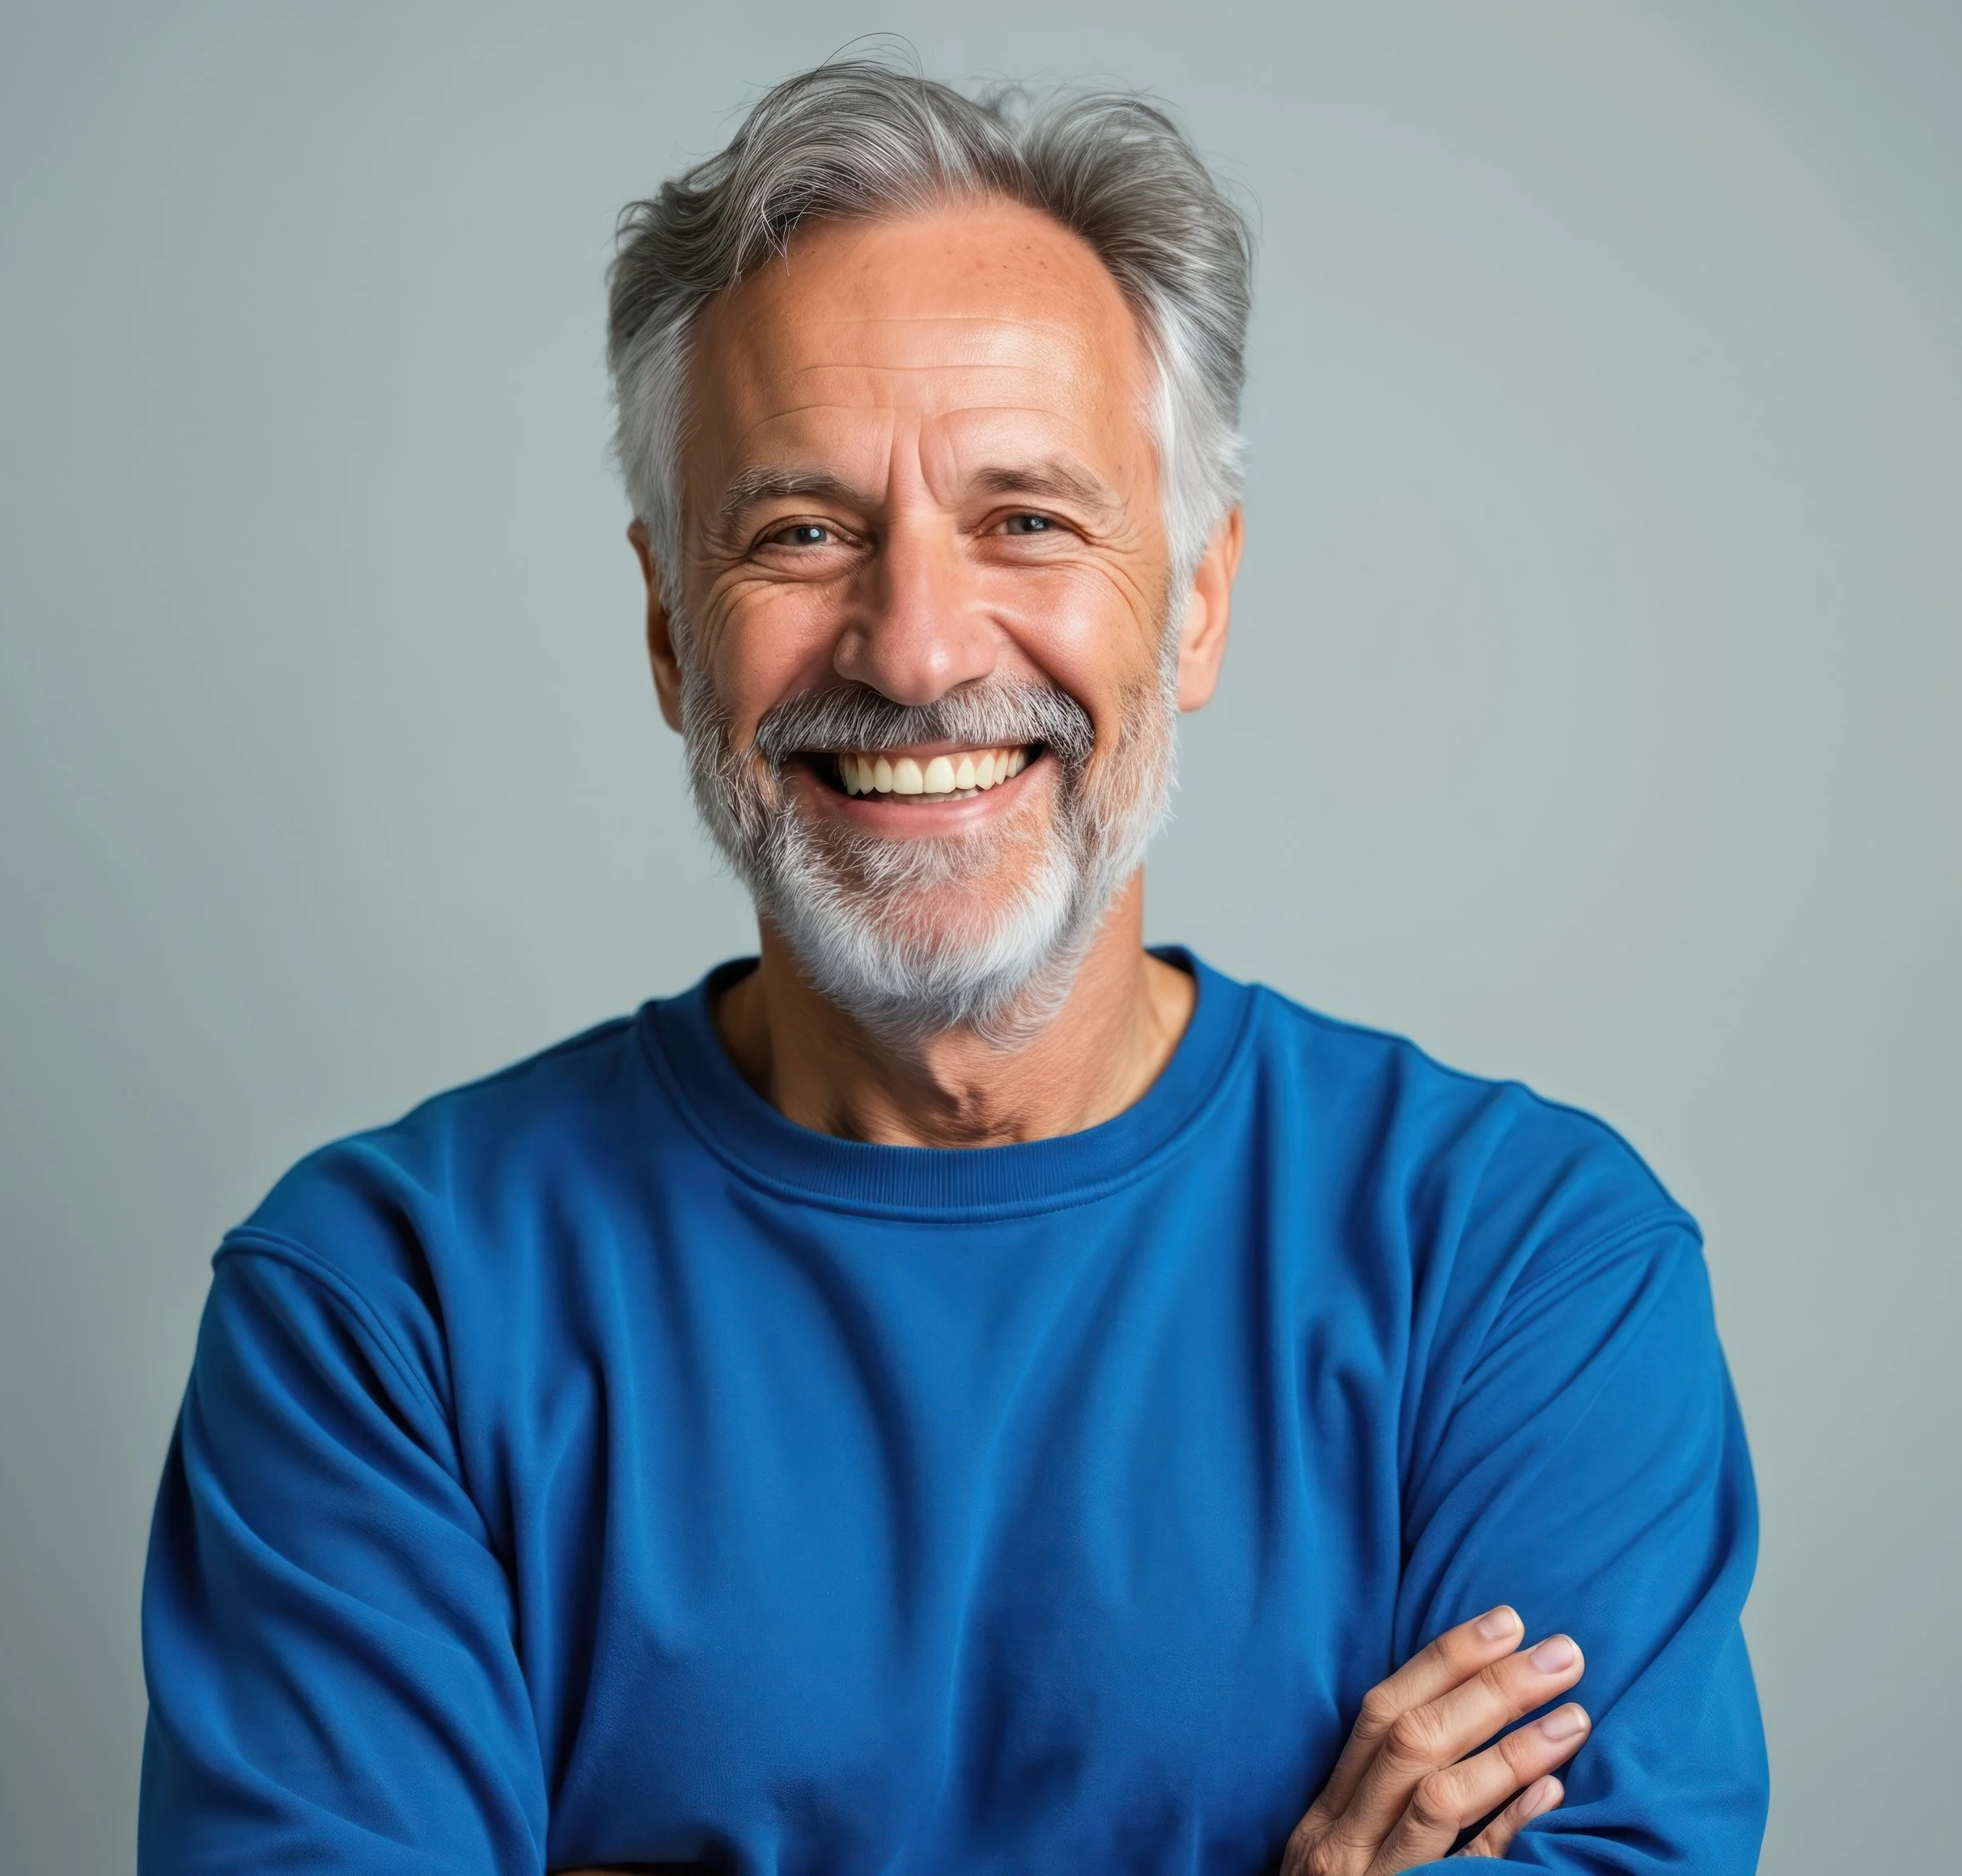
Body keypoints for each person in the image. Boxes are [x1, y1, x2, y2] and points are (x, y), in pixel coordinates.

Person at [138, 58, 1768, 1876]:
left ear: (1199, 600)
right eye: (801, 531)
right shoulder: (384, 1315)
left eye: (1026, 519)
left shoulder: (1523, 1273)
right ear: (671, 628)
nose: (913, 651)